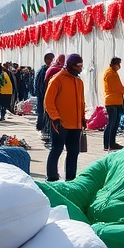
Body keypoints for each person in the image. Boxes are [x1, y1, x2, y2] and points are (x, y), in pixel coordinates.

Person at [44, 53, 86, 181]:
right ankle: (52, 177)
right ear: (70, 65)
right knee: (56, 149)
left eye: (81, 66)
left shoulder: (79, 82)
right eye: (78, 66)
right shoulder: (57, 79)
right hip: (61, 123)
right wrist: (55, 118)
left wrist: (83, 118)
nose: (80, 68)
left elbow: (81, 102)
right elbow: (48, 101)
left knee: (74, 152)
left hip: (76, 124)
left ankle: (71, 179)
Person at [102, 57, 124, 151]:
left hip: (115, 101)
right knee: (112, 123)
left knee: (115, 123)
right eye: (118, 64)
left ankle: (111, 143)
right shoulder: (111, 74)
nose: (119, 66)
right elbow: (119, 89)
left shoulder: (112, 73)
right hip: (112, 102)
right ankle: (108, 143)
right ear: (114, 64)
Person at [34, 52, 54, 137]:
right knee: (42, 113)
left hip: (49, 96)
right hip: (43, 96)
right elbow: (38, 85)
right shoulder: (42, 71)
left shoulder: (53, 70)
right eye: (50, 59)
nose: (52, 61)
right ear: (46, 60)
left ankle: (46, 130)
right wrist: (41, 94)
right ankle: (42, 129)